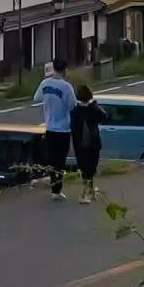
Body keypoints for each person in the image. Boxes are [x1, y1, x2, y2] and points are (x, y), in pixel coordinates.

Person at [34, 58, 77, 200]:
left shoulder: (45, 83)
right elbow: (72, 106)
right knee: (60, 161)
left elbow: (37, 98)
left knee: (52, 160)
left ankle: (54, 189)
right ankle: (56, 190)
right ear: (65, 69)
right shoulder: (66, 87)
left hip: (50, 127)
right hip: (63, 128)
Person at [70, 84, 108, 204]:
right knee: (91, 169)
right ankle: (83, 195)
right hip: (93, 143)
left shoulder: (75, 111)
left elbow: (72, 126)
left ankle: (91, 192)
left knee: (85, 169)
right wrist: (94, 105)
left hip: (79, 144)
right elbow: (104, 116)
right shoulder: (93, 109)